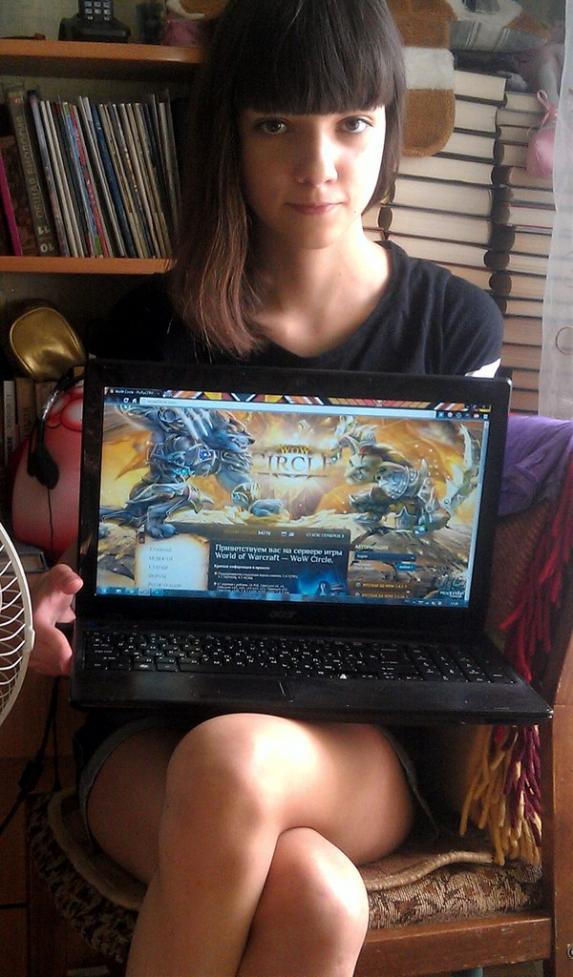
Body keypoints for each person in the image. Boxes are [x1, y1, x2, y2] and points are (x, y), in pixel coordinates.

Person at [30, 1, 503, 975]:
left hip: (354, 741)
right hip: (154, 731)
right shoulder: (151, 322)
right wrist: (46, 591)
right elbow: (111, 539)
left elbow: (452, 557)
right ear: (229, 135)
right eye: (277, 123)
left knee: (236, 758)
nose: (318, 163)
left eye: (351, 123)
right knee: (317, 898)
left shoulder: (457, 328)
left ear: (386, 127)